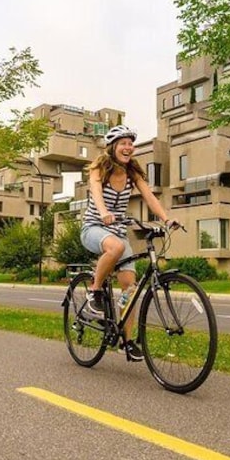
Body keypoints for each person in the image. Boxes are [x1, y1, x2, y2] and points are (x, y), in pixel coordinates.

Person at [81, 125, 179, 362]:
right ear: (113, 147)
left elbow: (149, 196)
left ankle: (126, 341)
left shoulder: (133, 172)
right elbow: (95, 190)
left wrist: (166, 219)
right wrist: (104, 211)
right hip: (94, 228)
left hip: (117, 231)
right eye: (123, 143)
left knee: (130, 290)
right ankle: (94, 292)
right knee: (114, 247)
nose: (128, 148)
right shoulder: (99, 168)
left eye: (130, 144)